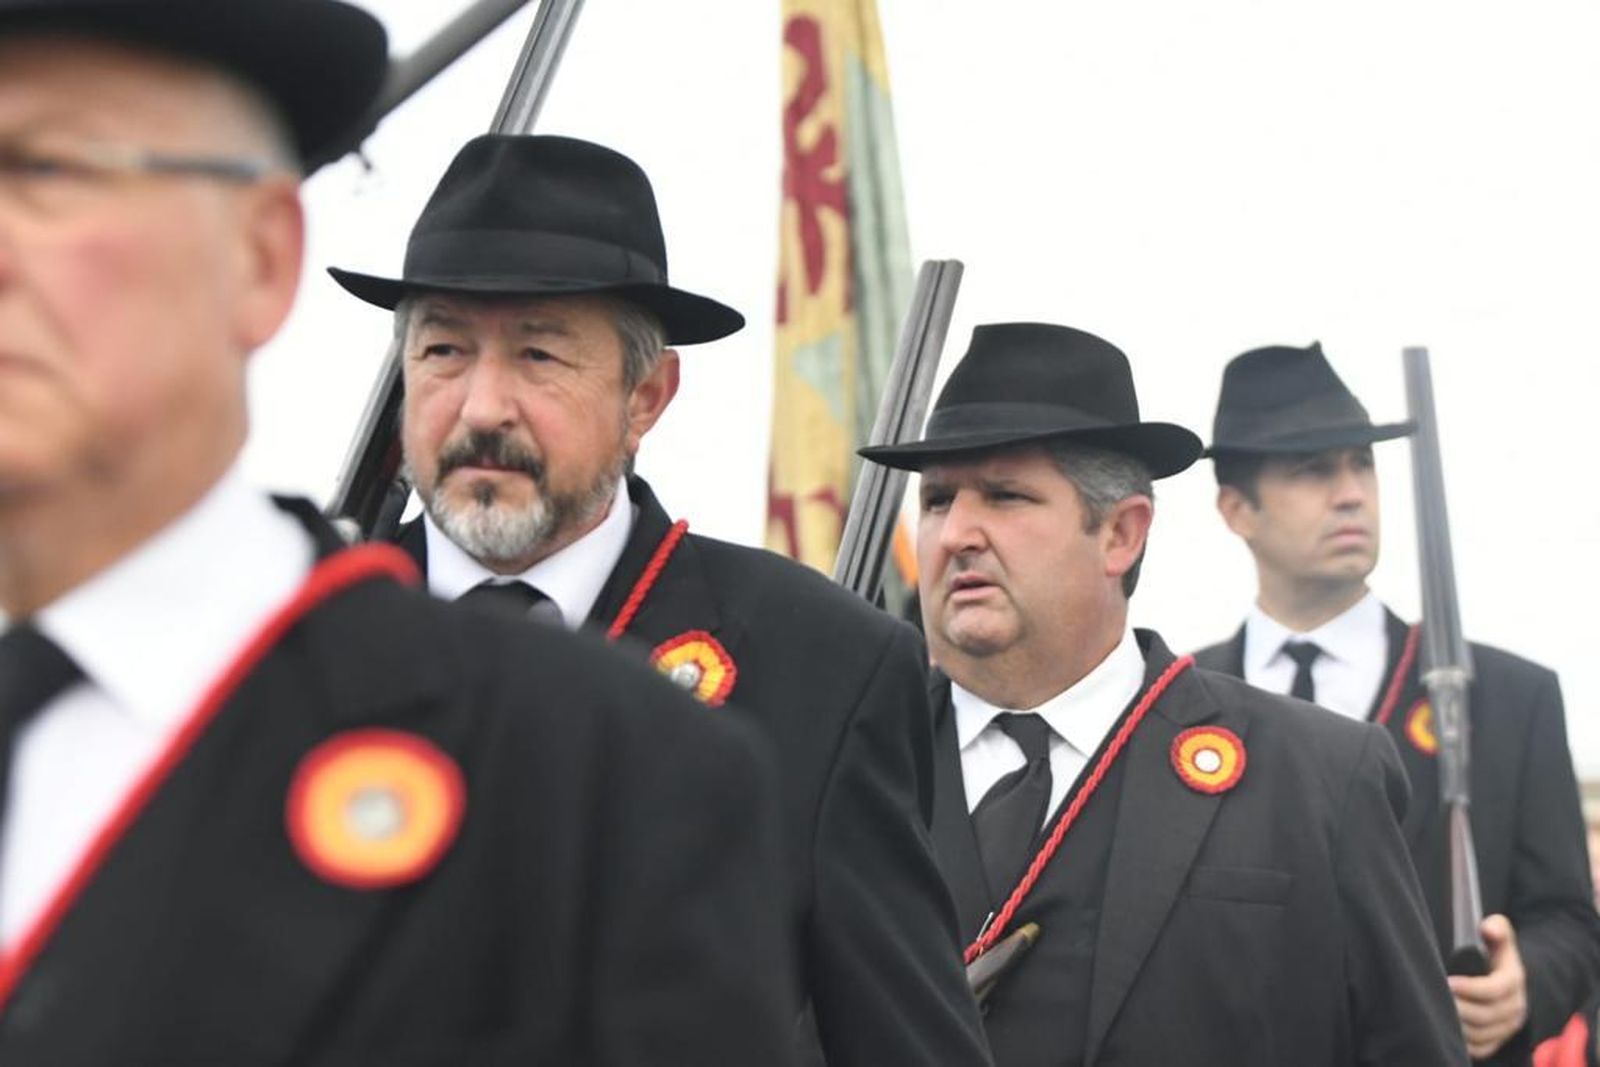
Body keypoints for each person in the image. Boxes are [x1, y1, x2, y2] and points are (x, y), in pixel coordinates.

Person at [0, 1, 798, 1062]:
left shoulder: (617, 778)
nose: (480, 408)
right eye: (442, 350)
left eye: (46, 170)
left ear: (259, 257)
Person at [328, 133, 991, 1065]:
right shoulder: (281, 630)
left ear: (646, 395)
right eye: (443, 348)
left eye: (539, 356)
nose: (482, 405)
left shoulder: (823, 668)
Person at [858, 321, 1468, 1066]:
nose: (956, 533)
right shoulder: (846, 763)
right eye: (937, 500)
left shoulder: (1320, 777)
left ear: (1121, 533)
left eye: (1005, 495)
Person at [1194, 341, 1600, 1064]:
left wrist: (1523, 982)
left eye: (1361, 463)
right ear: (1236, 508)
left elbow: (1569, 920)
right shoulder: (1176, 703)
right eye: (1312, 469)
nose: (1350, 491)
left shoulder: (1509, 698)